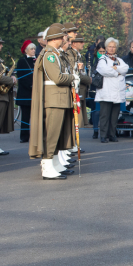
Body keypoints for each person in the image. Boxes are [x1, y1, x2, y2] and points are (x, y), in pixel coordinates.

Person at [29, 24, 77, 179]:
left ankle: (55, 164)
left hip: (59, 99)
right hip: (54, 100)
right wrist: (73, 77)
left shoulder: (55, 54)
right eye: (63, 37)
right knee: (51, 135)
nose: (65, 39)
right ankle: (47, 166)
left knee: (57, 135)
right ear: (56, 38)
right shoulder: (50, 55)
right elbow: (57, 77)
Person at [95, 38, 129, 142]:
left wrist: (115, 69)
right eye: (110, 46)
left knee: (114, 116)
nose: (112, 48)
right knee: (105, 115)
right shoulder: (103, 60)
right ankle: (103, 135)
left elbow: (126, 68)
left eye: (114, 47)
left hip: (117, 93)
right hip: (106, 92)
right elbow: (104, 70)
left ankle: (112, 134)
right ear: (106, 48)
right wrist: (117, 72)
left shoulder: (119, 60)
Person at [16, 41, 36, 142]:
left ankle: (36, 136)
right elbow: (21, 76)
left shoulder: (37, 60)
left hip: (36, 92)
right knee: (25, 116)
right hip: (26, 92)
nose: (34, 51)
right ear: (26, 50)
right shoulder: (21, 61)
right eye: (31, 49)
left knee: (37, 116)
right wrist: (31, 85)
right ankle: (24, 136)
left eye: (34, 49)